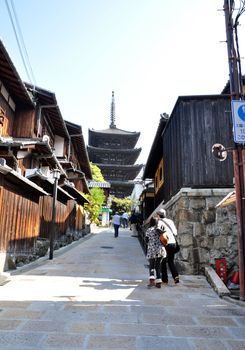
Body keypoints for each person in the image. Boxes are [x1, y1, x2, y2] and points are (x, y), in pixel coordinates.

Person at [156, 208, 180, 285]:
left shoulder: (159, 222)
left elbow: (159, 234)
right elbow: (175, 232)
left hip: (165, 244)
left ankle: (165, 280)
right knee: (170, 261)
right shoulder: (170, 221)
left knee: (163, 261)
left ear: (159, 215)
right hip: (173, 243)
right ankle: (176, 277)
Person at [145, 217, 166, 288]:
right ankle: (159, 282)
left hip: (151, 250)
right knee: (158, 266)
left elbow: (146, 240)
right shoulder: (160, 229)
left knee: (151, 265)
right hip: (160, 250)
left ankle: (152, 281)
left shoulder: (149, 230)